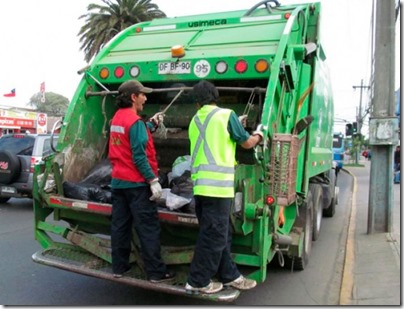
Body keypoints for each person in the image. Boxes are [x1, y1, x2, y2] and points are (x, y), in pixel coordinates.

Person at [185, 80, 263, 294]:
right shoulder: (225, 115)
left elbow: (212, 136)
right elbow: (246, 143)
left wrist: (235, 123)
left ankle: (230, 276)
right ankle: (197, 281)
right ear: (215, 96)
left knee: (221, 233)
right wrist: (259, 135)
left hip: (200, 188)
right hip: (218, 189)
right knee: (213, 237)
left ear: (197, 102)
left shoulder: (194, 120)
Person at [108, 79, 175, 283]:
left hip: (119, 182)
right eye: (142, 94)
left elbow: (129, 137)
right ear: (133, 97)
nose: (145, 98)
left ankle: (119, 267)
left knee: (120, 226)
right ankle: (155, 272)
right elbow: (138, 156)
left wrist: (151, 124)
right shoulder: (134, 122)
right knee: (148, 228)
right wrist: (153, 180)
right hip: (137, 185)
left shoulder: (117, 119)